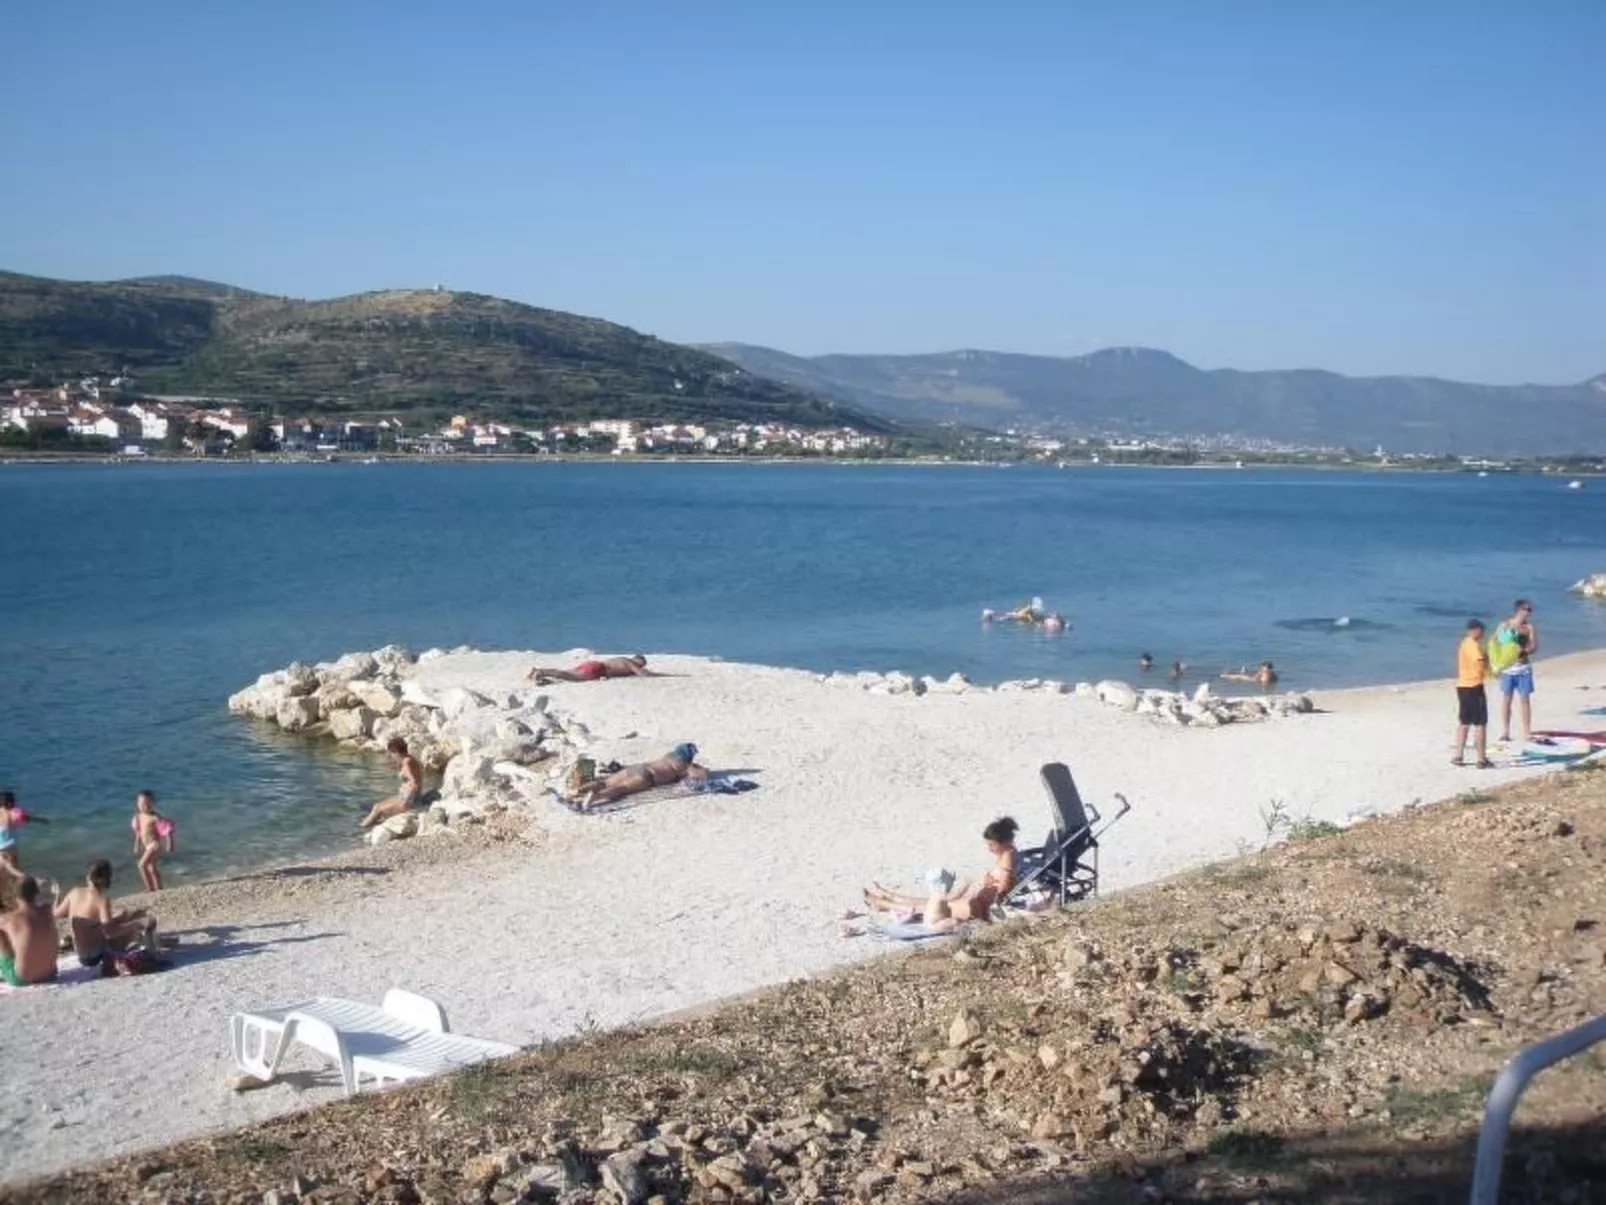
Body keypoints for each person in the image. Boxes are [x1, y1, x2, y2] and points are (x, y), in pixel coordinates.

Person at [862, 817, 1020, 924]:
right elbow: (1005, 881)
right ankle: (891, 897)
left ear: (1004, 841)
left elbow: (1004, 889)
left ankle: (883, 903)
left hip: (981, 907)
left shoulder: (1008, 857)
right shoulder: (1008, 853)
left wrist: (994, 896)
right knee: (934, 901)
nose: (989, 848)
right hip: (979, 901)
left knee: (929, 907)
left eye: (992, 845)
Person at [54, 859, 157, 968]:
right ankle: (150, 944)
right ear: (106, 879)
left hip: (82, 953)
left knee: (128, 915)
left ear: (88, 876)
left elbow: (56, 914)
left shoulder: (74, 892)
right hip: (96, 956)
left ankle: (146, 937)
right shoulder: (101, 900)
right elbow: (110, 932)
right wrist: (136, 923)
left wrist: (57, 896)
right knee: (137, 919)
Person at [569, 743, 708, 810]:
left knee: (605, 782)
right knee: (621, 789)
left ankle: (578, 791)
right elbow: (702, 775)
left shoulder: (668, 756)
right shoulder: (684, 765)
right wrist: (698, 767)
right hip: (648, 776)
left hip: (639, 767)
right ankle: (595, 797)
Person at [1492, 599, 1539, 744]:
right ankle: (1505, 731)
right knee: (1507, 699)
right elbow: (1495, 643)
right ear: (1519, 610)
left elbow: (1534, 647)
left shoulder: (1529, 627)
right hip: (1508, 669)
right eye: (1527, 610)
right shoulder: (1505, 625)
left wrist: (1524, 650)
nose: (1529, 613)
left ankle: (1527, 731)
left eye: (1530, 610)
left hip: (1523, 668)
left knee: (1525, 700)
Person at [0, 876, 59, 987]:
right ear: (37, 892)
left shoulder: (9, 919)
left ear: (14, 895)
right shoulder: (47, 911)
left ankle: (7, 968)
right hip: (50, 974)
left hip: (21, 979)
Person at [1452, 619, 1492, 769]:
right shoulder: (1471, 644)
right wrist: (1489, 663)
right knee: (1480, 723)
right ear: (1474, 630)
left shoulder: (1466, 644)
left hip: (1463, 685)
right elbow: (1479, 660)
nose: (1483, 634)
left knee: (1464, 722)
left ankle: (1458, 755)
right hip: (1473, 686)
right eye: (1481, 630)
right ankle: (1481, 759)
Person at [361, 738, 425, 829]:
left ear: (396, 752)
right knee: (377, 807)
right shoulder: (410, 759)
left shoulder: (406, 762)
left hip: (407, 801)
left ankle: (361, 828)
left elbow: (413, 781)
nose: (391, 756)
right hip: (404, 797)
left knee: (377, 809)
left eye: (391, 753)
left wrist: (407, 802)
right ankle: (368, 826)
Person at [0, 790, 50, 887]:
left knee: (11, 871)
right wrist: (41, 820)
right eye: (14, 801)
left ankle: (34, 881)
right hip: (13, 848)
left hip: (2, 849)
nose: (15, 803)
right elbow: (27, 818)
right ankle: (15, 893)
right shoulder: (14, 814)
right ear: (10, 803)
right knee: (11, 873)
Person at [130, 790, 174, 892]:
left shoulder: (155, 817)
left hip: (155, 845)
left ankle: (149, 888)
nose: (144, 806)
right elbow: (138, 832)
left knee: (141, 865)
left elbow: (167, 829)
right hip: (147, 845)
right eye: (141, 804)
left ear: (152, 804)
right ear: (137, 804)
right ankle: (159, 887)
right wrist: (136, 844)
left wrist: (170, 843)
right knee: (151, 868)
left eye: (148, 804)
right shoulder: (138, 816)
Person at [526, 655, 655, 684]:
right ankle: (541, 672)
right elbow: (643, 675)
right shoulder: (630, 663)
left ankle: (540, 670)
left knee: (567, 672)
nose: (641, 666)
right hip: (598, 669)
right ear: (637, 660)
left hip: (594, 664)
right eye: (642, 664)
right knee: (571, 677)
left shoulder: (622, 659)